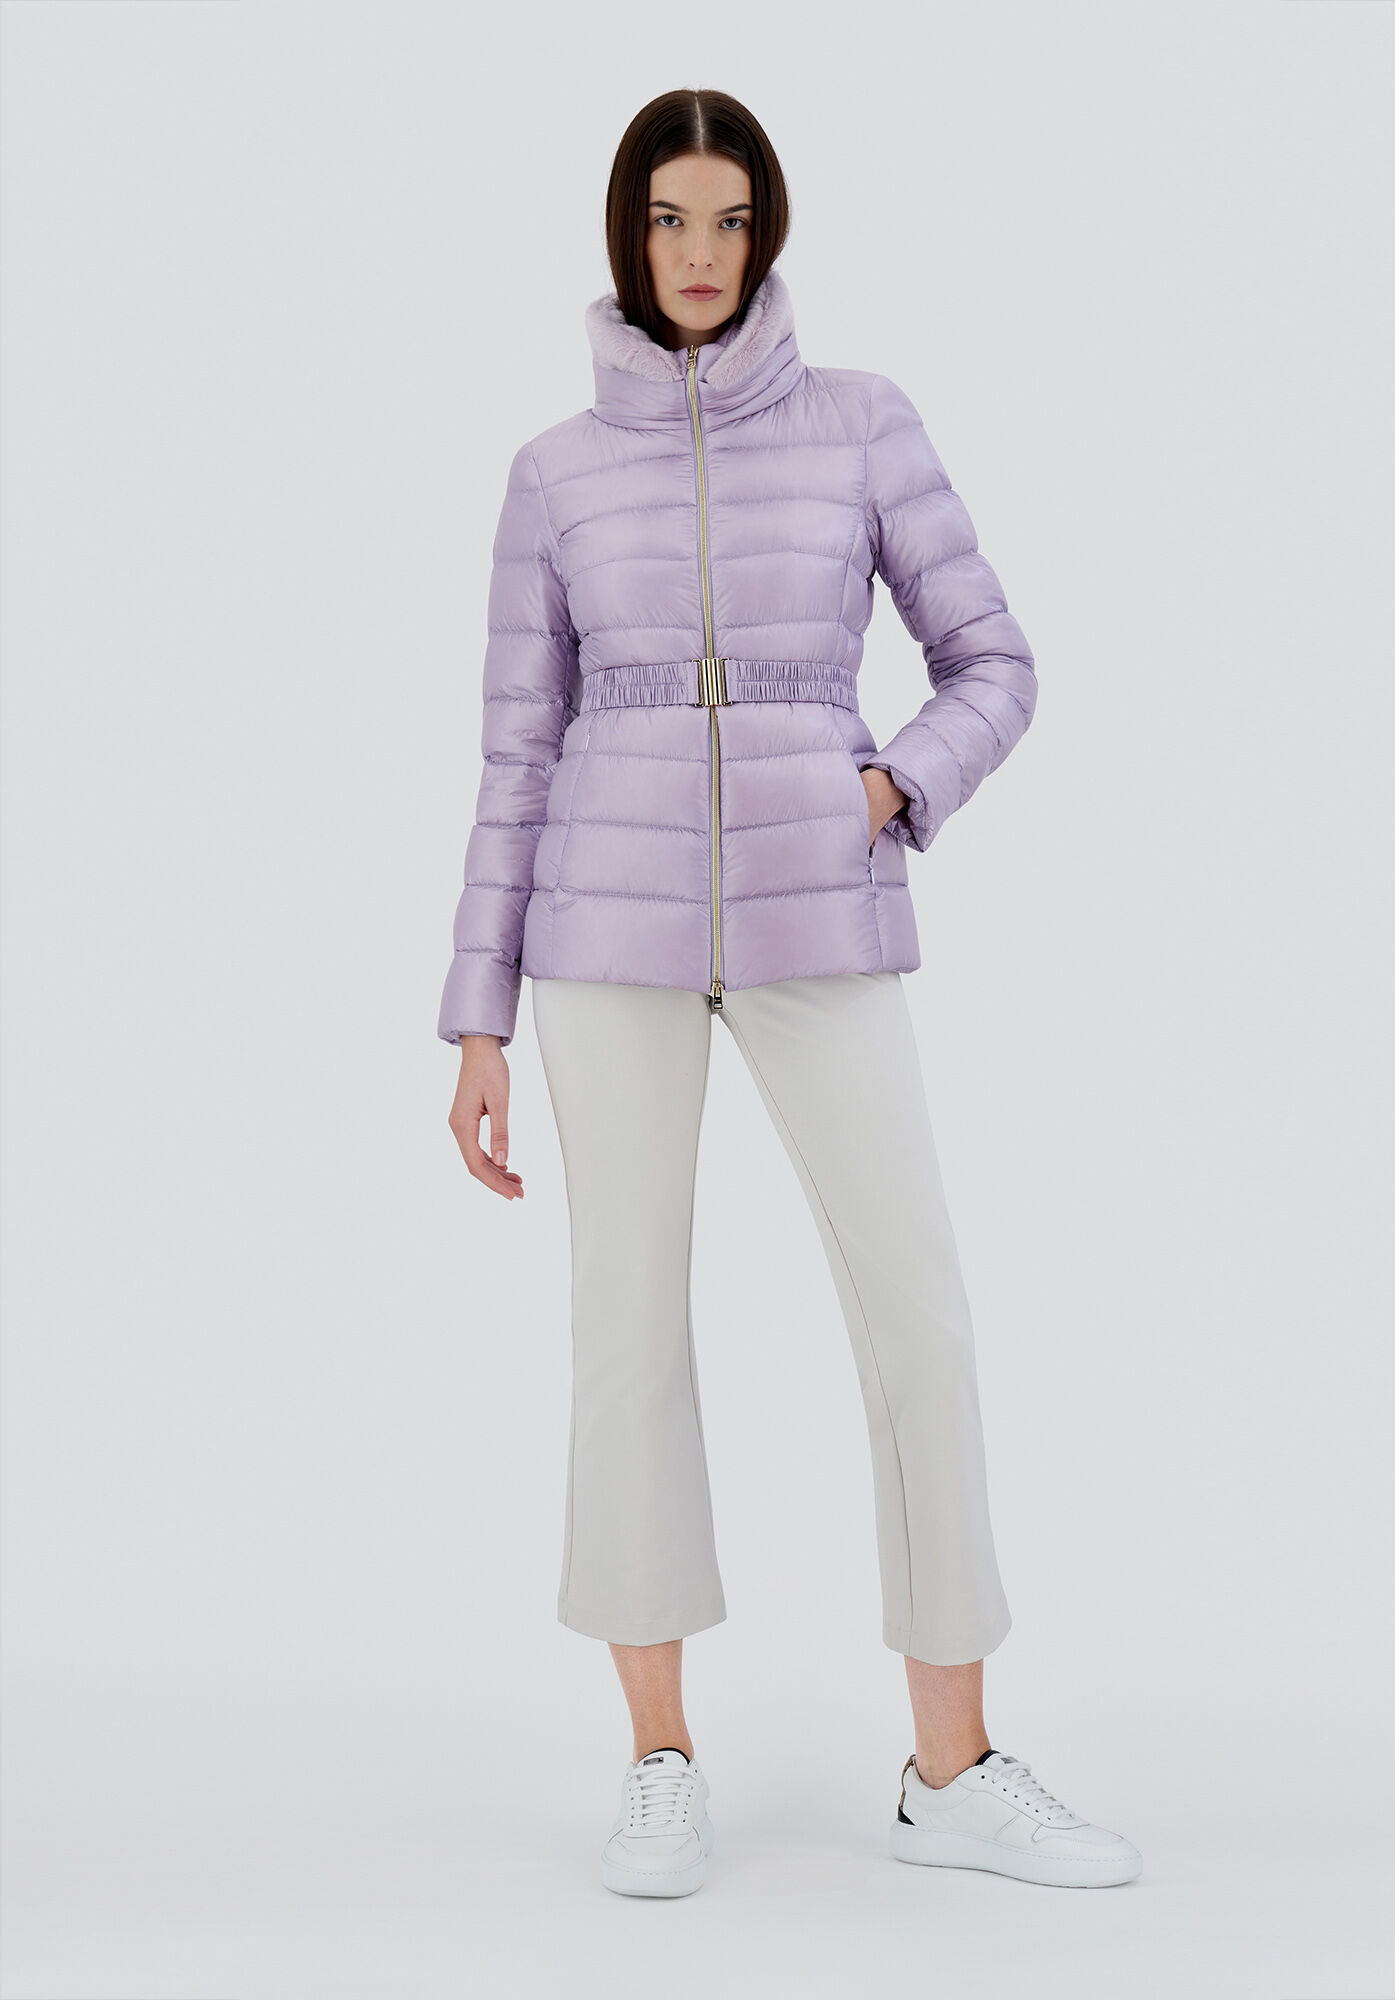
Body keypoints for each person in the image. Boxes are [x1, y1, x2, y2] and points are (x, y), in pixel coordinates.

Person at [438, 87, 1142, 1899]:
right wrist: (475, 1013)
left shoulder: (860, 422)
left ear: (768, 233)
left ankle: (951, 1767)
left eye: (730, 219)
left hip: (821, 913)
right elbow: (516, 752)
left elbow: (994, 659)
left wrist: (897, 785)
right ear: (628, 233)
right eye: (669, 218)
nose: (699, 252)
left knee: (922, 1317)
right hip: (601, 939)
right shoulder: (551, 472)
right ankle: (659, 1758)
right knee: (626, 1335)